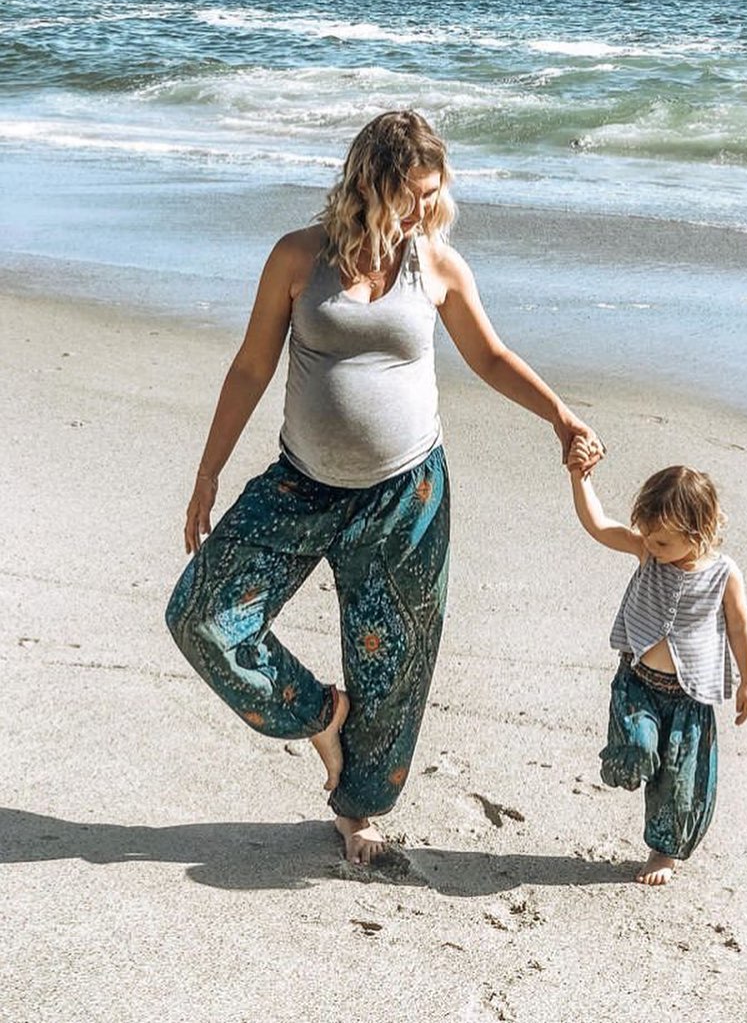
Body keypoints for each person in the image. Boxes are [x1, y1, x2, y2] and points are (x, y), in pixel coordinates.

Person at [165, 110, 604, 865]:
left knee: (393, 664)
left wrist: (559, 416)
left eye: (435, 193)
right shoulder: (298, 258)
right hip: (301, 486)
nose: (427, 208)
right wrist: (206, 472)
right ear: (370, 183)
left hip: (407, 496)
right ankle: (318, 712)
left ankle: (358, 808)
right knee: (200, 615)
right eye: (414, 192)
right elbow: (249, 367)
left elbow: (489, 355)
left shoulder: (434, 262)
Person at [565, 447, 747, 886]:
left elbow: (741, 627)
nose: (651, 544)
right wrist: (580, 479)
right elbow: (597, 525)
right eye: (647, 535)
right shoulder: (647, 553)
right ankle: (634, 754)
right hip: (639, 684)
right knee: (639, 744)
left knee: (679, 783)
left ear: (701, 531)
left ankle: (663, 853)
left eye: (663, 541)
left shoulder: (724, 574)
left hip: (690, 699)